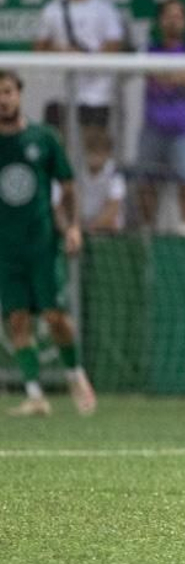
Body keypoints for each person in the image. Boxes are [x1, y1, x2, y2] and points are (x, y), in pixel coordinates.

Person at [0, 70, 96, 416]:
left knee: (56, 317)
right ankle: (35, 394)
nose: (3, 99)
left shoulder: (44, 138)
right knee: (17, 321)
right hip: (4, 250)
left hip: (41, 243)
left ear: (19, 94)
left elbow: (68, 186)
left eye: (8, 91)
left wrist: (72, 227)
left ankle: (75, 373)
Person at [32, 0, 126, 136]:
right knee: (58, 139)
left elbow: (115, 44)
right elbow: (39, 47)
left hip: (97, 92)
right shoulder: (53, 10)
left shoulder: (104, 8)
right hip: (60, 91)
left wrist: (86, 57)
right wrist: (61, 52)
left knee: (95, 142)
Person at [134, 0, 185, 233]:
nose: (173, 21)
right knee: (145, 181)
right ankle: (147, 227)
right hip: (152, 128)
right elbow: (150, 73)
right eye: (168, 16)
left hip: (181, 130)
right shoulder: (149, 49)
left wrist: (162, 74)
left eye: (178, 16)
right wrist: (171, 75)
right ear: (160, 21)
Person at [78, 129, 126, 234]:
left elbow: (114, 206)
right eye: (91, 153)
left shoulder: (115, 175)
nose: (94, 158)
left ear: (107, 154)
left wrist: (94, 226)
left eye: (98, 154)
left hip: (108, 229)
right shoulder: (79, 171)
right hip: (84, 224)